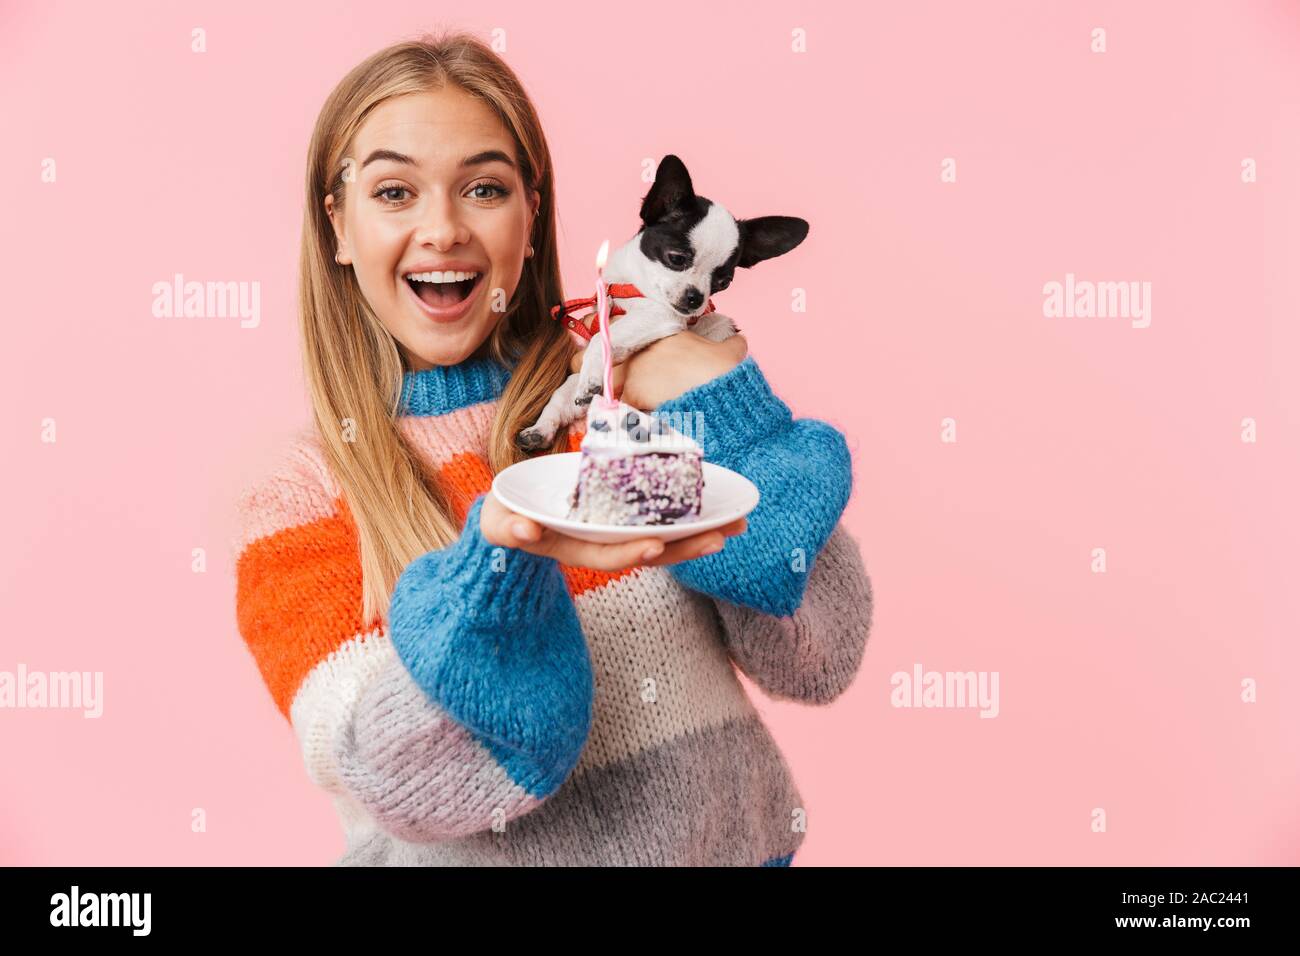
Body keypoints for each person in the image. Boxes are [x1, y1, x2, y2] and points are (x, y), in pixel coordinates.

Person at [233, 31, 873, 866]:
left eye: (485, 188)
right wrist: (503, 561)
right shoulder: (300, 494)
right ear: (340, 227)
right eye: (394, 191)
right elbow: (397, 778)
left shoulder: (612, 405)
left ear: (531, 217)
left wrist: (720, 408)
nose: (443, 229)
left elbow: (815, 651)